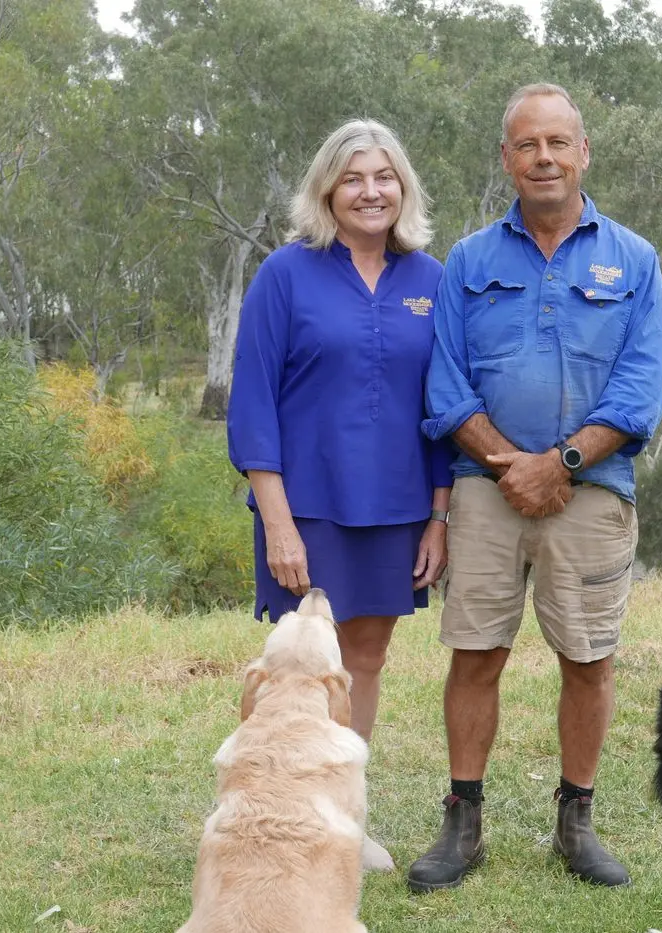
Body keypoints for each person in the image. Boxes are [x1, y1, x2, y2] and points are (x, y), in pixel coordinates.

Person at [407, 84, 662, 893]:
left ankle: (577, 821)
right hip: (487, 491)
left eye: (559, 142)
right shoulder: (469, 261)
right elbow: (445, 388)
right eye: (528, 145)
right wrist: (508, 465)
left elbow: (638, 391)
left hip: (589, 491)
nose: (545, 158)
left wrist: (558, 463)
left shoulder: (634, 260)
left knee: (588, 659)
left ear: (584, 152)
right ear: (507, 159)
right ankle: (463, 821)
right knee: (476, 652)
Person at [226, 119, 452, 871]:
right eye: (353, 178)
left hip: (399, 508)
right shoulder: (285, 275)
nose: (370, 191)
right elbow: (254, 404)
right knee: (296, 667)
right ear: (327, 189)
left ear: (403, 189)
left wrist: (440, 516)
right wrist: (279, 524)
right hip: (308, 507)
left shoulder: (431, 281)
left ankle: (337, 820)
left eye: (384, 177)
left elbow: (447, 404)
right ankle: (269, 811)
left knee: (364, 661)